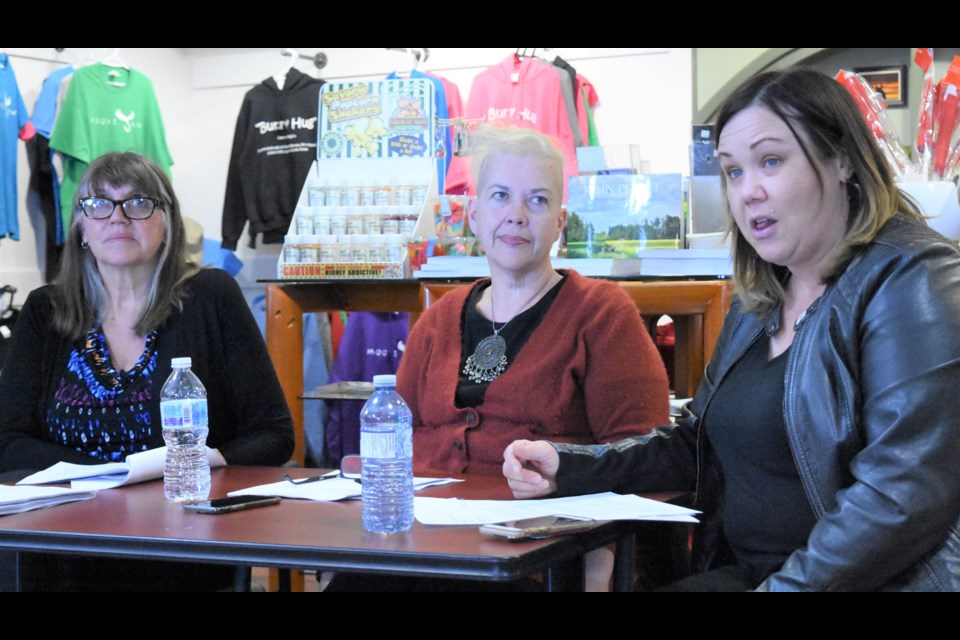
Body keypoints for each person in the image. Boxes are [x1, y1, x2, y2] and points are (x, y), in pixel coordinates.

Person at [503, 67, 960, 592]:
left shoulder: (912, 276)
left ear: (841, 161)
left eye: (770, 161)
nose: (748, 192)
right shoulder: (758, 299)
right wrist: (569, 465)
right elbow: (696, 443)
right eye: (733, 172)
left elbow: (902, 494)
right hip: (749, 576)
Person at [0, 151, 294, 590]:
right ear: (81, 226)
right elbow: (8, 440)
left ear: (167, 222)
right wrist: (110, 478)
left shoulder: (211, 297)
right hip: (63, 538)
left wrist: (187, 464)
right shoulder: (46, 310)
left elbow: (273, 435)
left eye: (138, 203)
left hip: (183, 537)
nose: (117, 218)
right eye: (99, 204)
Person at [397, 124, 670, 478]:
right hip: (428, 526)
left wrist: (563, 480)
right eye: (500, 195)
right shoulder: (438, 320)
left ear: (560, 223)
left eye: (537, 199)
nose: (517, 214)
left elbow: (642, 456)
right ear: (475, 217)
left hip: (551, 528)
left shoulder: (602, 315)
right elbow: (391, 435)